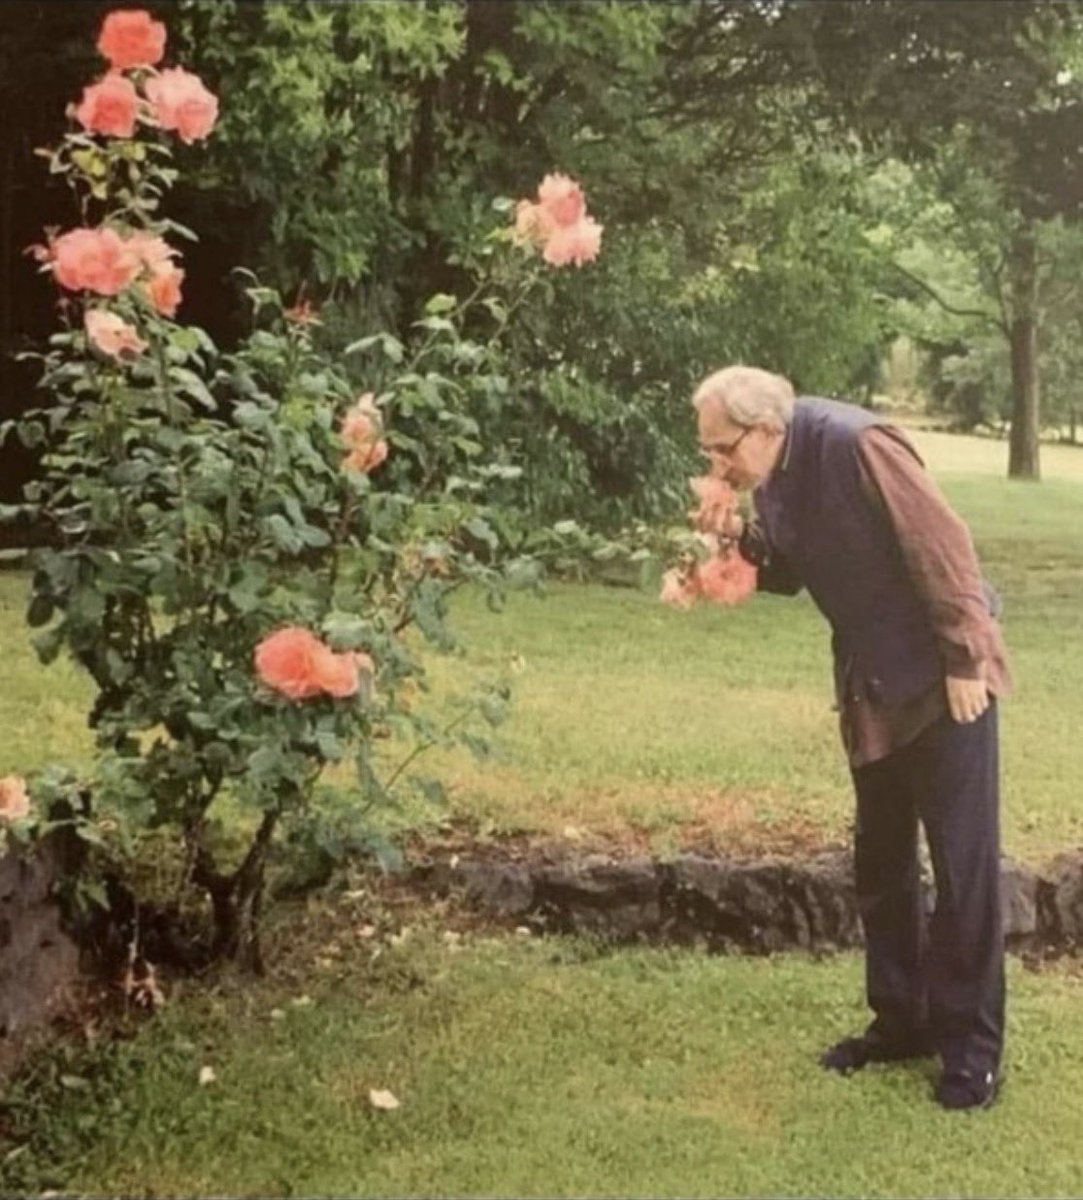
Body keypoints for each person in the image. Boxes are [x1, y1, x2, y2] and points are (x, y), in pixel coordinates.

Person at [692, 365, 1010, 1112]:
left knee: (963, 878)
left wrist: (965, 658)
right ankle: (901, 1023)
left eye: (720, 449)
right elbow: (793, 572)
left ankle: (972, 1056)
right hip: (872, 686)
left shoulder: (858, 443)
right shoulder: (773, 471)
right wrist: (738, 538)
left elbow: (943, 546)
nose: (716, 465)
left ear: (765, 429)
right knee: (881, 860)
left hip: (944, 684)